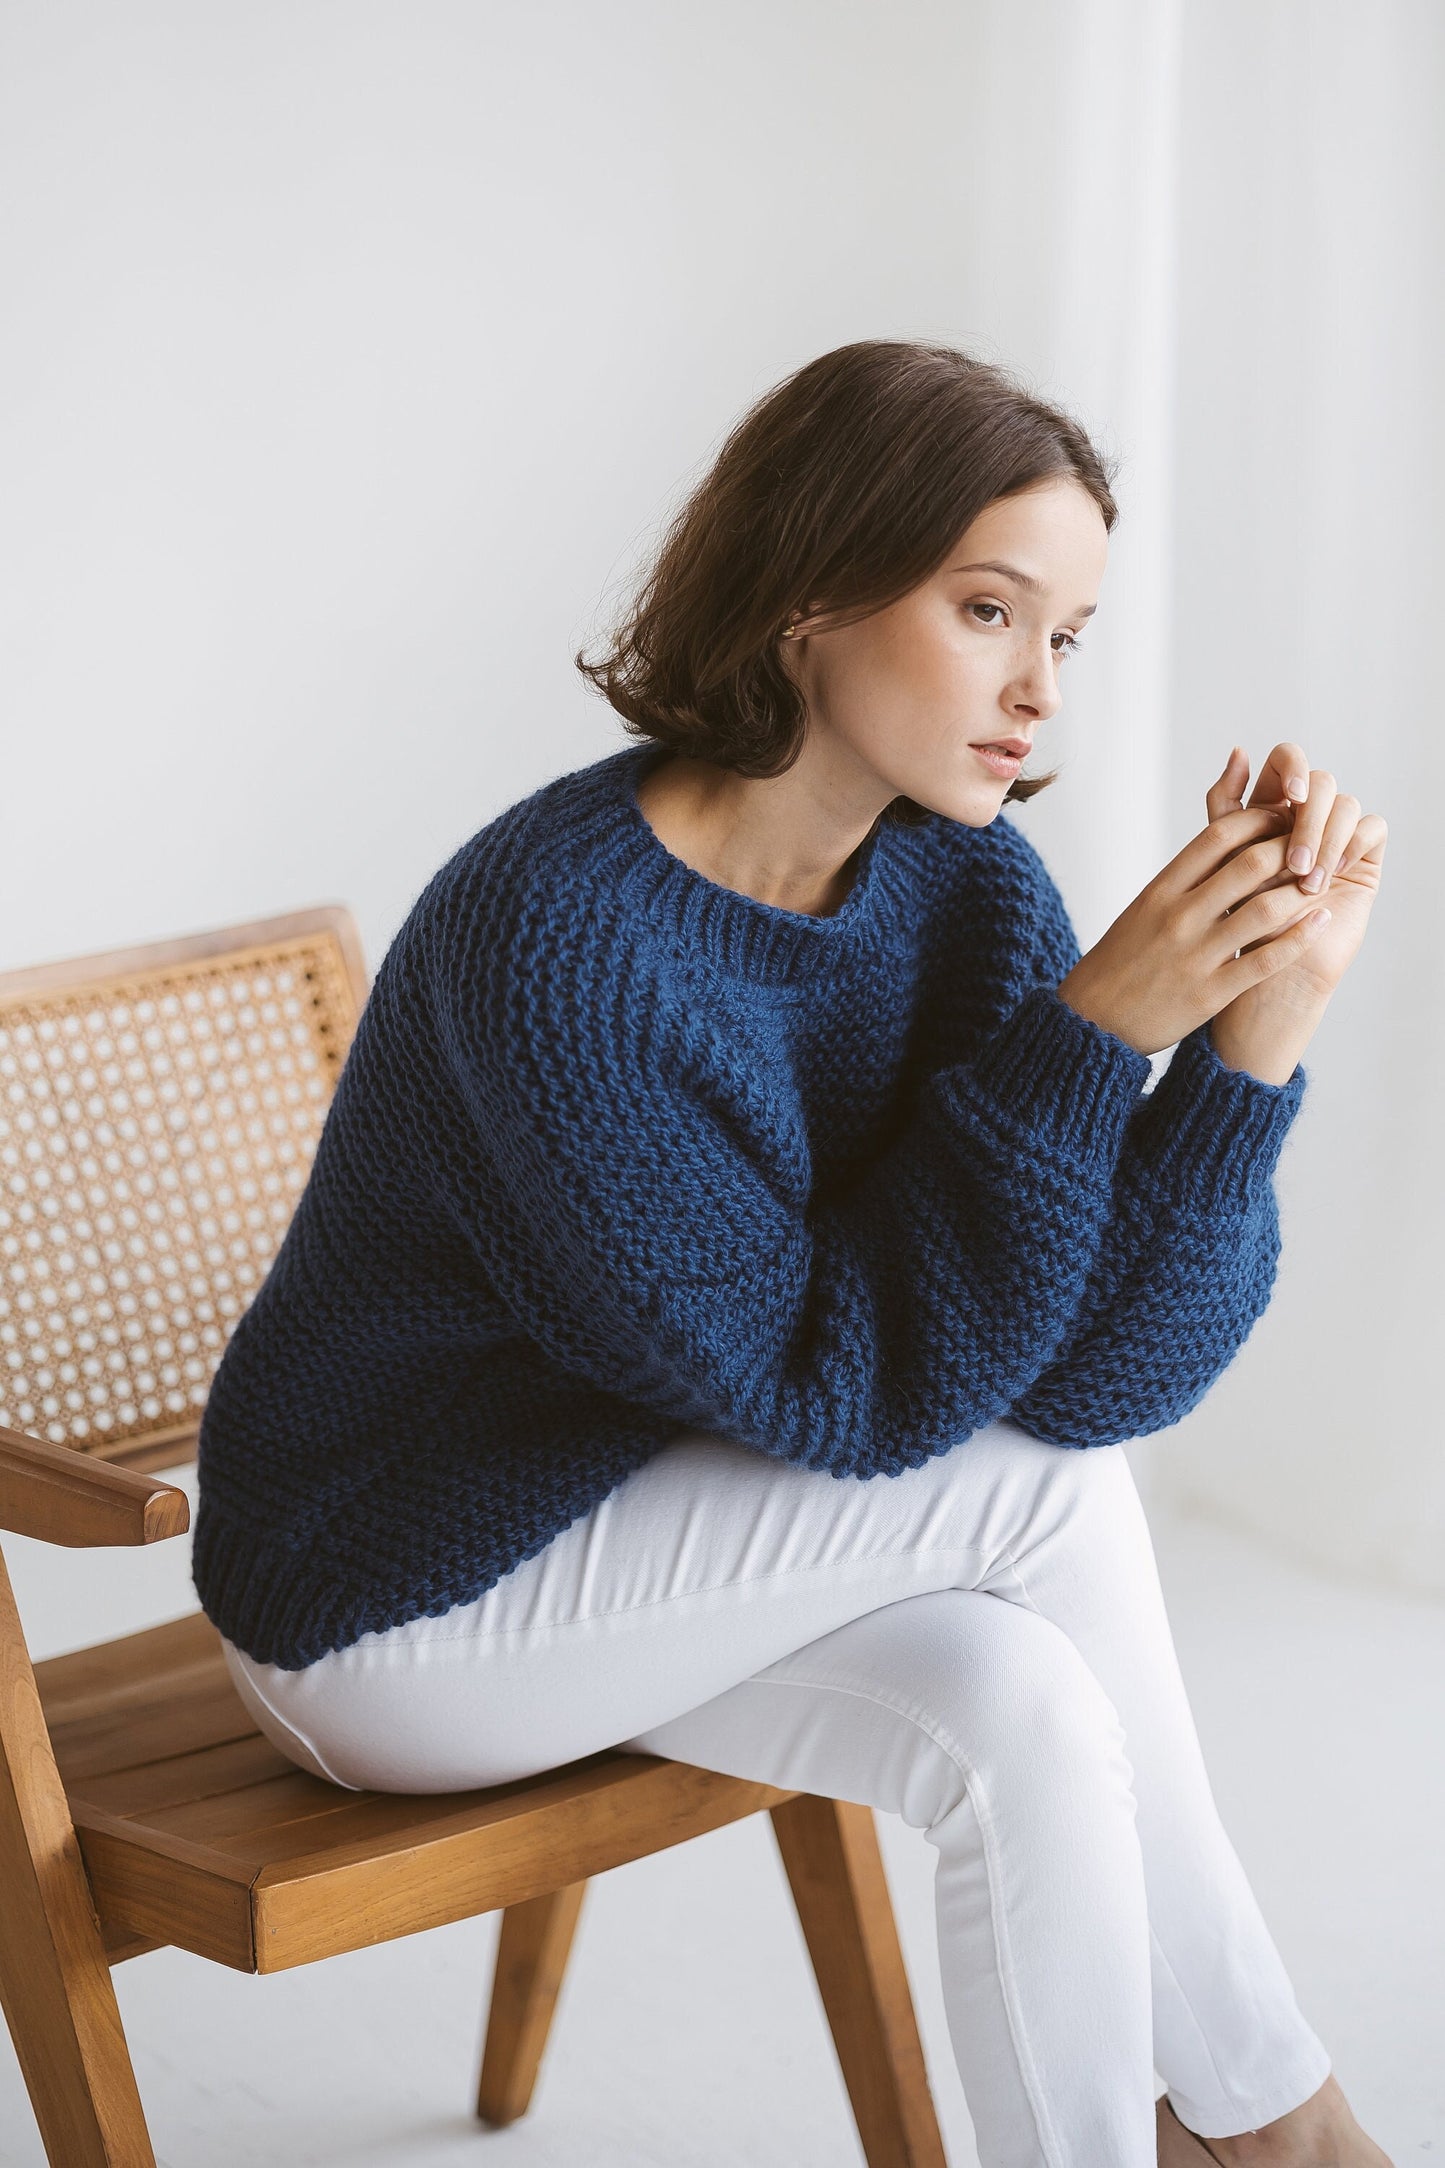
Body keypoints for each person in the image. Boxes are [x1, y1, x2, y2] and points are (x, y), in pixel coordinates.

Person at [194, 339, 1391, 2167]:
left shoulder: (958, 881)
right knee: (1047, 1510)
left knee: (1026, 1708)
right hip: (386, 1593)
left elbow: (1088, 1378)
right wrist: (1090, 1039)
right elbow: (842, 1395)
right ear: (808, 593)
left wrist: (1249, 1046)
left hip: (663, 1513)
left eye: (1065, 636)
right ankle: (1284, 2129)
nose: (1035, 690)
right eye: (986, 610)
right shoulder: (560, 949)